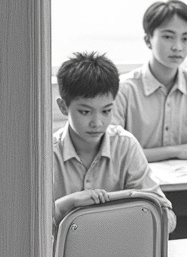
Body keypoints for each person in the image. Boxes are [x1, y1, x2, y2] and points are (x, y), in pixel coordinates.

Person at [53, 51, 176, 232]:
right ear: (63, 106)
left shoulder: (125, 145)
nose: (97, 122)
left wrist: (120, 200)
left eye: (106, 111)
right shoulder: (48, 154)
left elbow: (168, 220)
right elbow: (25, 227)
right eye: (85, 112)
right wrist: (68, 203)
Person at [113, 0, 187, 162]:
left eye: (185, 38)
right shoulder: (124, 90)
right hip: (137, 183)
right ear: (148, 40)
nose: (177, 47)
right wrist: (176, 151)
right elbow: (114, 149)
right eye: (168, 37)